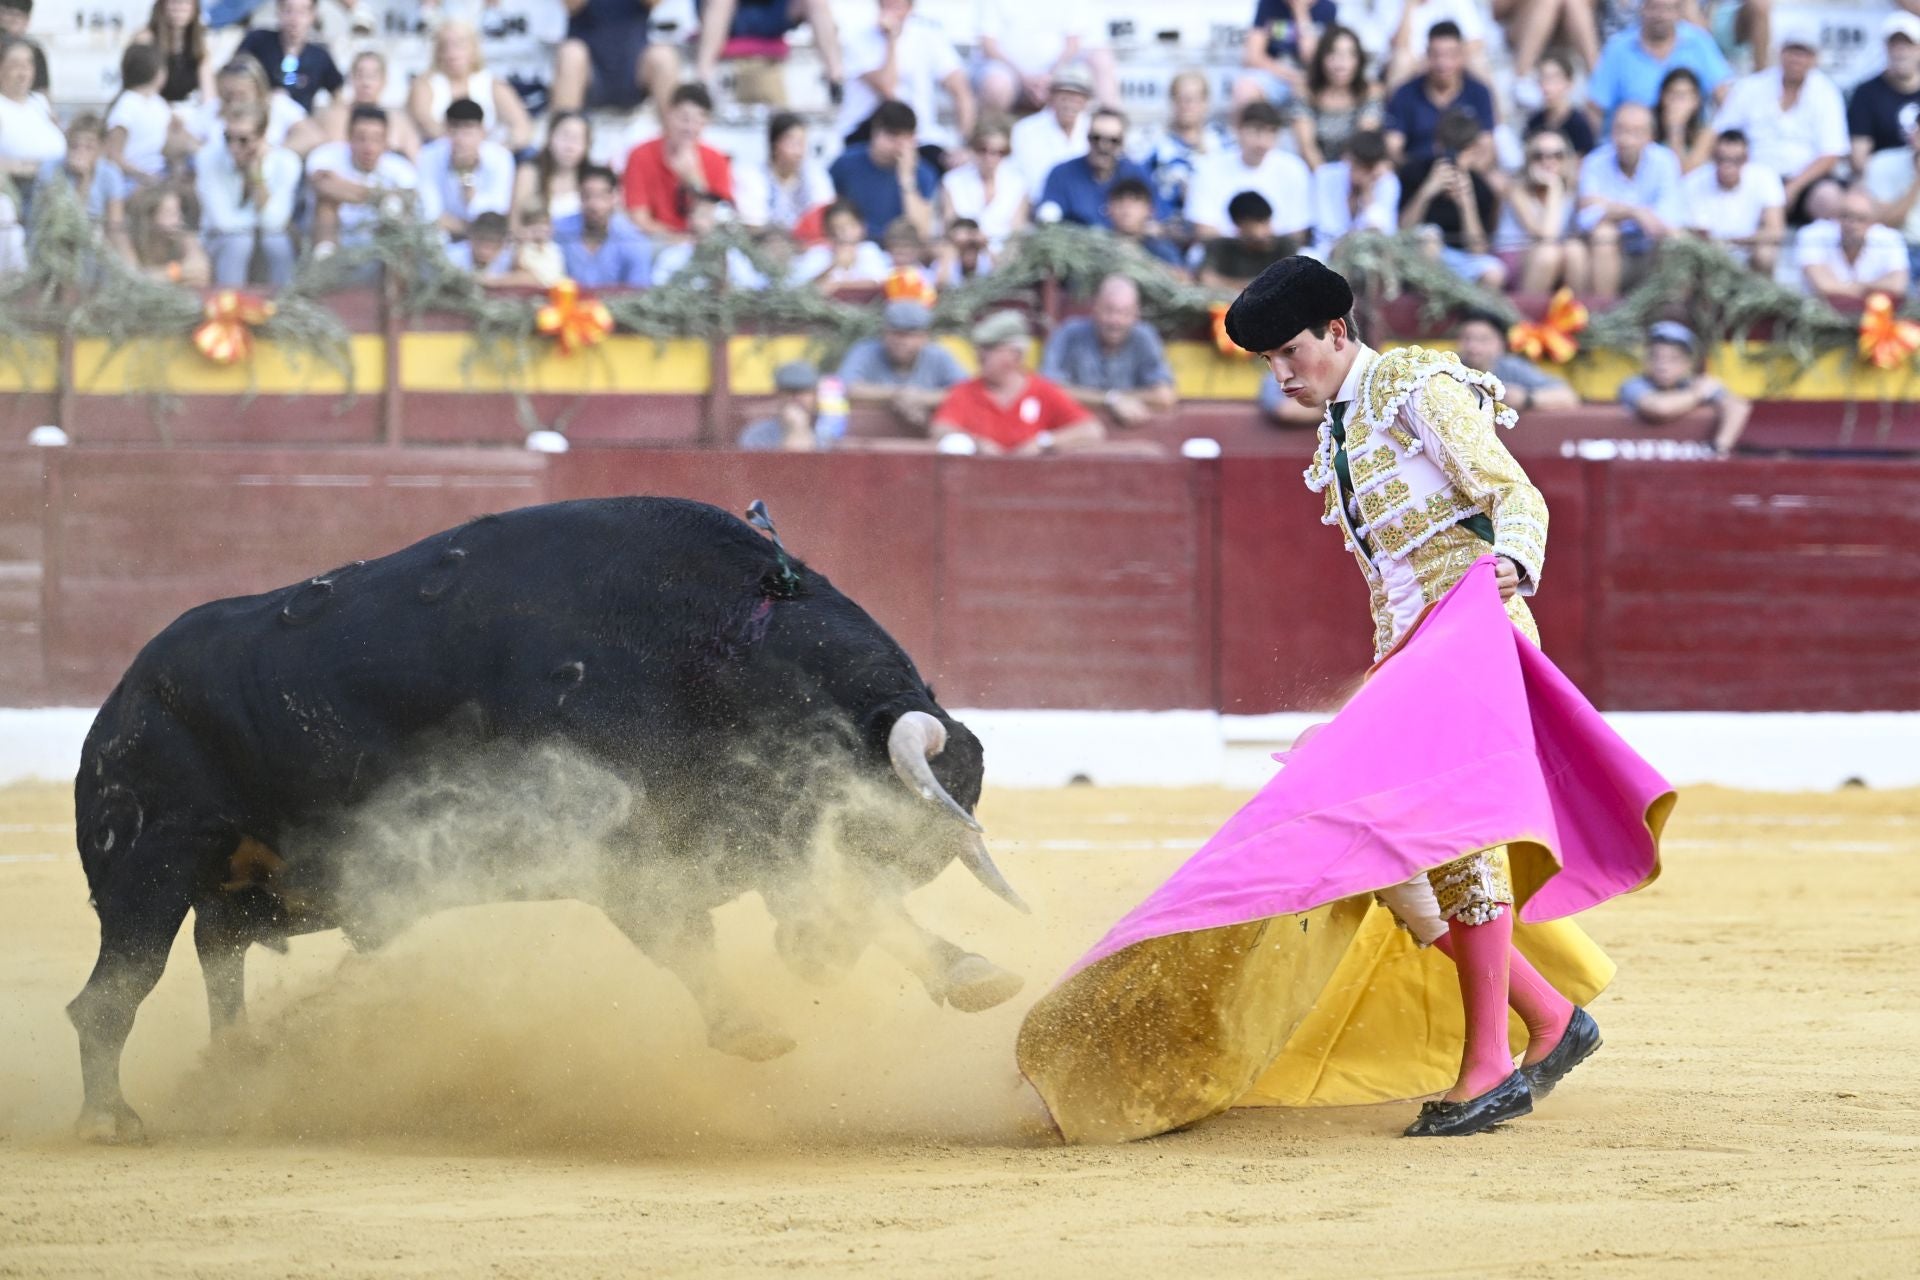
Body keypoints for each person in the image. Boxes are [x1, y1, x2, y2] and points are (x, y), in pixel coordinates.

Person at [1221, 254, 1605, 1138]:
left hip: (1473, 637)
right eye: (1268, 362)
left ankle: (1489, 1063)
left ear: (1337, 333)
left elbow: (1511, 490)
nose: (1282, 375)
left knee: (1452, 838)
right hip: (1408, 655)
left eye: (1290, 353)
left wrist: (1513, 560)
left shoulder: (1411, 387)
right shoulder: (1342, 428)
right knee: (1371, 830)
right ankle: (1550, 1016)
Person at [1708, 20, 1845, 227]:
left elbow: (1831, 153)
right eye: (1792, 51)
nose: (1797, 58)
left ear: (1814, 59)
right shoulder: (1750, 87)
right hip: (1751, 177)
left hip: (1804, 182)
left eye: (1804, 53)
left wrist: (1794, 187)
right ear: (1781, 53)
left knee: (1830, 198)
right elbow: (1723, 133)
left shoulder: (1826, 92)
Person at [931, 311, 1105, 455]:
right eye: (980, 349)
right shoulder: (966, 391)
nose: (980, 356)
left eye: (990, 348)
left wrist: (1043, 442)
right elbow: (941, 428)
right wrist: (975, 442)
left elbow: (1091, 430)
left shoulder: (1042, 391)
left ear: (1015, 354)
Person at [1039, 274, 1179, 431]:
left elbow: (1164, 396)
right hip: (1076, 434)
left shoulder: (1144, 337)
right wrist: (1111, 400)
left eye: (1124, 313)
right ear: (1095, 308)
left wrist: (1118, 399)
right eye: (1109, 311)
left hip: (1131, 436)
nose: (1116, 321)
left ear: (1136, 314)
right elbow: (1048, 391)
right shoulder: (1069, 333)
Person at [837, 0, 973, 154]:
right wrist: (892, 40)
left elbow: (961, 90)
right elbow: (889, 88)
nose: (890, 12)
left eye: (897, 6)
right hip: (867, 136)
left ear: (910, 8)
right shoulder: (858, 39)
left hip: (920, 136)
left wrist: (964, 145)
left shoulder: (929, 37)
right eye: (886, 5)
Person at [1578, 102, 1683, 300]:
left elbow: (1668, 220)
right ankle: (1605, 311)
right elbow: (1586, 220)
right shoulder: (1595, 162)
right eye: (1620, 130)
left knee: (1676, 240)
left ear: (1650, 136)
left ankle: (1671, 311)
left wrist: (1609, 206)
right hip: (1611, 252)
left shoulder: (1665, 161)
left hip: (1651, 250)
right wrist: (1635, 212)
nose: (1626, 139)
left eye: (1635, 132)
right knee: (1603, 234)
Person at [195, 101, 300, 286]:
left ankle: (285, 300)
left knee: (277, 242)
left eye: (243, 140)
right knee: (239, 241)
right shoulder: (208, 157)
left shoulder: (286, 162)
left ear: (262, 136)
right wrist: (257, 224)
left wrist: (257, 176)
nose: (233, 147)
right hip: (218, 240)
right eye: (228, 138)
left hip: (263, 240)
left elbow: (273, 222)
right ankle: (230, 300)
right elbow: (222, 222)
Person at [1399, 108, 1505, 288]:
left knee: (1493, 273)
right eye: (1450, 148)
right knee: (1430, 237)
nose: (1456, 157)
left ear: (1473, 150)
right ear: (1437, 145)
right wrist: (1426, 192)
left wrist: (1467, 203)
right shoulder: (1414, 172)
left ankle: (1471, 307)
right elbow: (1403, 229)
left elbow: (1478, 250)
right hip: (1419, 255)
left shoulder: (1481, 187)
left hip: (1462, 258)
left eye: (1462, 149)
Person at [1587, 0, 1730, 131]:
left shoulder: (1699, 42)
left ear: (1679, 12)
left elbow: (1724, 96)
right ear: (1642, 9)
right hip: (1632, 143)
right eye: (1654, 7)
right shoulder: (1618, 49)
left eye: (1668, 9)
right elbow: (1595, 108)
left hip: (1690, 142)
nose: (1660, 16)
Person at [837, 298, 968, 434]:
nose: (902, 342)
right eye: (896, 334)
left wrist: (922, 398)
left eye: (910, 335)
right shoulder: (866, 351)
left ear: (925, 337)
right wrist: (895, 394)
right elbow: (844, 388)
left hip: (926, 436)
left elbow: (966, 392)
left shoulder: (937, 355)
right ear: (884, 333)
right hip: (868, 434)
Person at [1619, 320, 1751, 454]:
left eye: (1673, 359)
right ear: (1646, 360)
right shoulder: (1633, 385)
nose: (1662, 366)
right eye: (1656, 357)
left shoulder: (1693, 384)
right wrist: (1697, 394)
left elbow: (1738, 406)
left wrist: (1719, 448)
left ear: (1687, 364)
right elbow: (1660, 408)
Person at [1185, 101, 1313, 240]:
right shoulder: (1209, 168)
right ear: (1239, 130)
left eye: (1271, 132)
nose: (1263, 142)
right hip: (1222, 250)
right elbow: (1204, 230)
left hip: (1278, 251)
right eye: (1256, 132)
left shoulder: (1294, 169)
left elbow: (1297, 233)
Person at [623, 84, 734, 241]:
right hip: (654, 241)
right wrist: (677, 240)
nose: (689, 128)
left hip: (701, 243)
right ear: (669, 115)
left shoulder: (717, 160)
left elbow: (720, 220)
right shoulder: (640, 155)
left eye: (698, 121)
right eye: (684, 119)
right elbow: (639, 219)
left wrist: (695, 182)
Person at [308, 105, 421, 251]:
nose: (369, 148)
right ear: (349, 137)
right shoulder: (326, 155)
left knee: (400, 219)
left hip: (378, 241)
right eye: (361, 139)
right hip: (338, 234)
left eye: (376, 139)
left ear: (386, 141)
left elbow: (408, 200)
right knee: (326, 203)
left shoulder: (400, 167)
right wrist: (383, 198)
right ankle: (325, 257)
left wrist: (342, 187)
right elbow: (322, 185)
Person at [409, 20, 533, 153]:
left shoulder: (493, 85)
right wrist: (463, 146)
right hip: (439, 153)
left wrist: (499, 151)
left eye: (459, 45)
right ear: (437, 52)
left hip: (486, 154)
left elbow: (522, 127)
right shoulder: (423, 85)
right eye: (445, 46)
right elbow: (425, 122)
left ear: (474, 48)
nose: (452, 53)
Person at [1382, 23, 1496, 166]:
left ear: (1461, 55)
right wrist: (1415, 172)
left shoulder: (1479, 92)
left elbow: (1487, 147)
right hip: (1416, 170)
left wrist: (1464, 171)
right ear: (1427, 55)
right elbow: (1393, 146)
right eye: (1436, 55)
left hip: (1468, 169)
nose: (1442, 63)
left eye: (1450, 55)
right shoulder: (1405, 93)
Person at [974, 0, 1116, 114]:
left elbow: (1073, 42)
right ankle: (992, 136)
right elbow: (988, 45)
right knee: (996, 85)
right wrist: (1024, 78)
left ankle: (1110, 125)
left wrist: (1050, 77)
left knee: (1102, 59)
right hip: (1010, 73)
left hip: (1056, 71)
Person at [1495, 126, 1588, 293]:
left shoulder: (1573, 191)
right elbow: (1545, 237)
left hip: (1555, 257)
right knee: (1549, 253)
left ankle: (1579, 308)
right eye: (1539, 156)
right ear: (1528, 160)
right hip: (1514, 258)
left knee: (1575, 249)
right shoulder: (1516, 190)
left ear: (1567, 159)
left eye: (1557, 155)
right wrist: (1554, 188)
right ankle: (1526, 309)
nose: (1548, 161)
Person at [693, 0, 846, 102]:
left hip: (771, 13)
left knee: (816, 2)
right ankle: (703, 79)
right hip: (731, 14)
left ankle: (836, 79)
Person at [1135, 68, 1229, 231]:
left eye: (1193, 99)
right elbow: (1138, 183)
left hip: (1211, 228)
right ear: (1172, 101)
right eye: (1181, 99)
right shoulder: (1152, 142)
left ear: (1205, 103)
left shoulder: (1221, 143)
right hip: (1162, 228)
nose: (1187, 106)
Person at [1680, 128, 1785, 274]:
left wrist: (1732, 241)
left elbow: (1776, 231)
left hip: (1747, 249)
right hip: (1705, 251)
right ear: (1713, 157)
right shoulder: (1694, 181)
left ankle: (1762, 289)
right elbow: (1682, 228)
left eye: (1736, 160)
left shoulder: (1765, 177)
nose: (1728, 166)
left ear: (1746, 159)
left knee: (1766, 253)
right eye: (1722, 159)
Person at [828, 100, 938, 240]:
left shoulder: (923, 173)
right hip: (856, 244)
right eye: (893, 136)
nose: (900, 144)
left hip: (900, 247)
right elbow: (830, 212)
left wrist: (907, 178)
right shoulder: (846, 163)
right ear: (875, 132)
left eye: (907, 137)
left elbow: (921, 231)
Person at [551, 0, 681, 118]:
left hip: (633, 68)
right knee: (571, 54)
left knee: (664, 57)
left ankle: (678, 134)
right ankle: (562, 130)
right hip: (589, 71)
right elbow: (572, 5)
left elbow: (653, 2)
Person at [416, 97, 516, 242]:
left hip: (486, 242)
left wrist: (469, 193)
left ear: (482, 132)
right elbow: (429, 212)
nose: (460, 140)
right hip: (443, 238)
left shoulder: (501, 159)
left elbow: (496, 214)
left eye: (467, 132)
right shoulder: (428, 156)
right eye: (454, 131)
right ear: (446, 130)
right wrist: (470, 229)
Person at [1285, 25, 1382, 171]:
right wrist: (1326, 178)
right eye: (1333, 54)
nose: (1341, 63)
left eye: (1349, 54)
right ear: (1321, 58)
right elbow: (1307, 146)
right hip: (1312, 170)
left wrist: (1344, 179)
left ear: (1359, 60)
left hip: (1355, 172)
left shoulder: (1369, 92)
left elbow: (1363, 144)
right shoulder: (1305, 92)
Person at [1793, 186, 1910, 303]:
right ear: (1835, 216)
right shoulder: (1812, 235)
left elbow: (1898, 287)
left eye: (1861, 219)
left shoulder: (1890, 238)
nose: (1851, 224)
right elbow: (1823, 287)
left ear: (1873, 222)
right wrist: (1872, 288)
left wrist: (1845, 287)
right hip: (1820, 311)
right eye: (1845, 216)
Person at [35, 116, 131, 258]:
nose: (80, 152)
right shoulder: (50, 170)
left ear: (101, 148)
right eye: (74, 146)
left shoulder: (110, 174)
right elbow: (58, 220)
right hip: (56, 237)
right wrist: (82, 180)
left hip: (97, 234)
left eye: (89, 147)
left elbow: (115, 223)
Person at [1038, 108, 1149, 228]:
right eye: (1096, 138)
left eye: (1113, 141)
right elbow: (1048, 221)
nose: (1103, 146)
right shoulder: (1062, 175)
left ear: (1122, 143)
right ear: (1087, 138)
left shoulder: (1136, 174)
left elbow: (1157, 218)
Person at [1454, 310, 1580, 411]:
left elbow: (1568, 396)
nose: (1473, 347)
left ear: (1501, 344)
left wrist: (1526, 399)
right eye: (1467, 338)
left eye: (1483, 339)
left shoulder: (1512, 368)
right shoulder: (1450, 367)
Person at [733, 112, 834, 233]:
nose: (798, 152)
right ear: (774, 144)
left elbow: (825, 214)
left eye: (802, 143)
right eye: (793, 143)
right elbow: (754, 223)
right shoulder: (752, 176)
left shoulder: (815, 176)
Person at [554, 164, 652, 288]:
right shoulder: (558, 231)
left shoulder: (634, 241)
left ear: (615, 197)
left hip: (616, 301)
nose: (593, 204)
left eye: (601, 196)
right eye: (586, 196)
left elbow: (639, 292)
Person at [236, 0, 341, 116]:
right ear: (278, 11)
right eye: (288, 10)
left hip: (300, 121)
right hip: (259, 116)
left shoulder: (320, 56)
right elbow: (234, 74)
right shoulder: (258, 41)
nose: (294, 19)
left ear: (313, 15)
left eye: (302, 12)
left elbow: (338, 93)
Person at [1849, 14, 1920, 180]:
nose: (1901, 52)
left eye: (1908, 45)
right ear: (1885, 48)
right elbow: (1859, 159)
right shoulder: (1866, 92)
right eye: (1895, 45)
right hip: (1882, 178)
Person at [939, 119, 1028, 250]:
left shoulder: (1017, 184)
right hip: (963, 253)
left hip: (1004, 256)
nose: (990, 158)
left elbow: (1016, 234)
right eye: (983, 150)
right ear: (974, 148)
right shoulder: (953, 182)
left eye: (999, 152)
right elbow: (950, 228)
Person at [1308, 128, 1399, 257]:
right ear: (1348, 159)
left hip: (1367, 256)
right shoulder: (1325, 175)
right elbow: (1324, 229)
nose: (1361, 172)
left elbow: (1383, 235)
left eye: (1368, 167)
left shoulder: (1387, 182)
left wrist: (1368, 196)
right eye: (1357, 165)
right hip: (1324, 253)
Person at [317, 52, 421, 161]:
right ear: (351, 78)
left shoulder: (398, 122)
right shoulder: (335, 117)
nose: (366, 83)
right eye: (360, 75)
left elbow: (414, 159)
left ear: (384, 81)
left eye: (372, 76)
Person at [1236, 0, 1337, 109]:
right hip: (1276, 75)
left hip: (1311, 78)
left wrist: (1300, 12)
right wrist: (1291, 76)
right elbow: (1252, 57)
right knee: (1245, 89)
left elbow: (1311, 57)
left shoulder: (1327, 8)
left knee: (1327, 94)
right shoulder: (1268, 4)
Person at [474, 0, 568, 118]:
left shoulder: (543, 5)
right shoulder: (465, 7)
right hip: (487, 91)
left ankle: (562, 121)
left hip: (536, 89)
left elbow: (557, 43)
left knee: (572, 52)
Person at [1009, 65, 1094, 196]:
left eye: (1076, 98)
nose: (1069, 104)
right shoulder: (1025, 130)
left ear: (1086, 101)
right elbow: (1018, 177)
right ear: (1052, 97)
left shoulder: (1095, 129)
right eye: (1064, 96)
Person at [105, 44, 172, 186]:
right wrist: (142, 176)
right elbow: (113, 154)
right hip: (131, 180)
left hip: (160, 173)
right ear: (157, 72)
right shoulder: (127, 104)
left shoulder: (159, 104)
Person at [1200, 192, 1299, 288]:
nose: (1268, 229)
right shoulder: (1220, 247)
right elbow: (1207, 279)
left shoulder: (1285, 246)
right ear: (1240, 225)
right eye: (1260, 222)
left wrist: (1229, 283)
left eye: (1267, 221)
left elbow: (1288, 281)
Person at [512, 110, 591, 230]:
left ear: (587, 145)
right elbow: (514, 225)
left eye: (577, 139)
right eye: (565, 137)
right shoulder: (528, 173)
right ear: (549, 138)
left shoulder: (593, 179)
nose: (570, 147)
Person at [789, 199, 890, 290]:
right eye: (838, 228)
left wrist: (840, 286)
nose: (845, 233)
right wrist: (833, 266)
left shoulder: (869, 250)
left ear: (862, 227)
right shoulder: (817, 255)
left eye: (851, 225)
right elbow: (798, 289)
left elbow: (880, 283)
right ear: (827, 231)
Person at [0, 35, 63, 181]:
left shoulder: (39, 102)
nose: (23, 73)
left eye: (28, 65)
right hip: (19, 185)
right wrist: (22, 168)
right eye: (15, 65)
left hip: (57, 180)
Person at [130, 0, 215, 107]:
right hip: (149, 108)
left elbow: (209, 94)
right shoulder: (145, 39)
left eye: (186, 2)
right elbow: (137, 89)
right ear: (162, 5)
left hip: (185, 110)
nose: (179, 7)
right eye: (173, 2)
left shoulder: (199, 43)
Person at [126, 181, 209, 284]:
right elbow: (133, 279)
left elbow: (200, 271)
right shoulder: (130, 240)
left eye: (178, 213)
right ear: (149, 218)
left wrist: (168, 274)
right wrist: (178, 273)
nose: (178, 221)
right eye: (170, 214)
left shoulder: (184, 236)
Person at [1105, 176, 1186, 270]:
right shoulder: (1098, 243)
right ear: (1109, 208)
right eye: (1120, 201)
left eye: (1134, 202)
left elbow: (1182, 276)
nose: (1126, 209)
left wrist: (1144, 261)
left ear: (1150, 210)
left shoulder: (1161, 249)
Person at [1525, 53, 1596, 157]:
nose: (1546, 87)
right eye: (1542, 78)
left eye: (1553, 79)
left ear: (1569, 83)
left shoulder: (1579, 125)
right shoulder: (1534, 122)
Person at [1652, 66, 1712, 173]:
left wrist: (1676, 130)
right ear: (1662, 97)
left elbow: (1685, 173)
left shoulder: (1705, 134)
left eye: (1684, 96)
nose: (1678, 102)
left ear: (1696, 101)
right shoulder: (1649, 127)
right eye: (1673, 94)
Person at [444, 209, 515, 279]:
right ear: (471, 236)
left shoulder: (511, 260)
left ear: (503, 243)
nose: (484, 250)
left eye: (492, 241)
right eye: (481, 239)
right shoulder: (452, 257)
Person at [0, 0, 47, 96]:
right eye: (3, 13)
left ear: (26, 21)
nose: (6, 19)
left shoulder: (34, 51)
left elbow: (42, 92)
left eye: (15, 16)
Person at [932, 216, 994, 283]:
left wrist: (984, 245)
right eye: (963, 248)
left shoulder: (985, 260)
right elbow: (940, 284)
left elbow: (998, 273)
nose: (969, 255)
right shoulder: (948, 262)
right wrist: (951, 246)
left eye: (973, 246)